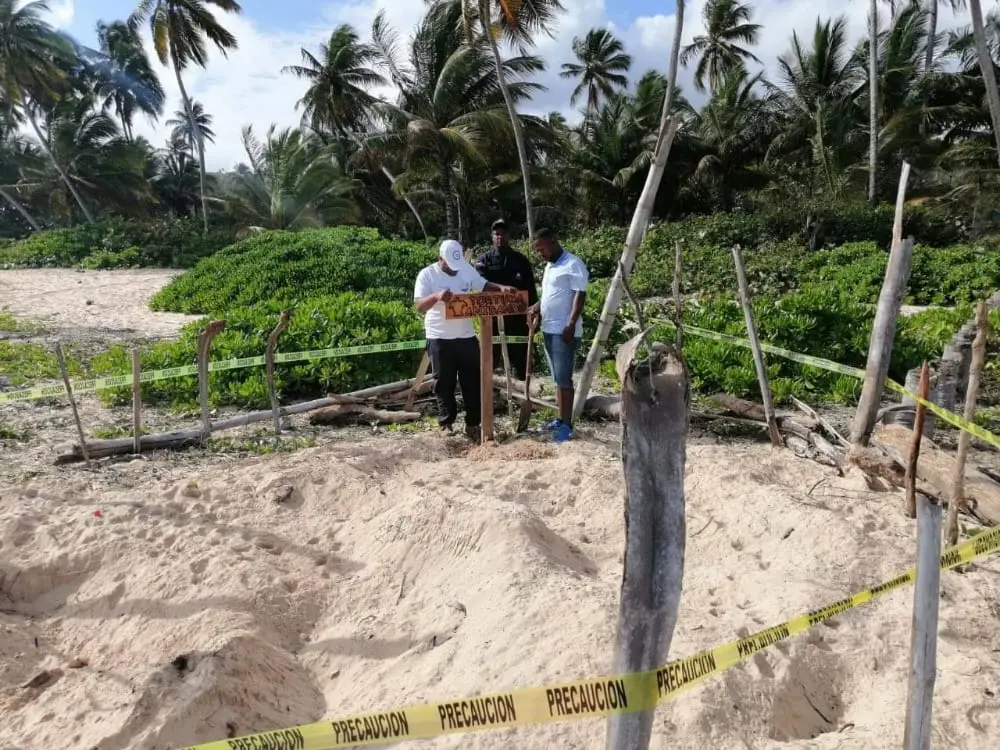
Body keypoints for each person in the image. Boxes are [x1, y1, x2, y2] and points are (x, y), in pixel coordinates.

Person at [414, 239, 516, 440]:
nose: (454, 271)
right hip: (440, 337)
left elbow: (483, 284)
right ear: (440, 258)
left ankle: (473, 424)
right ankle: (447, 424)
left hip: (466, 336)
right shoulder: (427, 275)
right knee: (444, 383)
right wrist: (436, 297)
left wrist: (501, 288)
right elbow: (419, 306)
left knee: (472, 382)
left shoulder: (466, 270)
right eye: (449, 266)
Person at [528, 228, 588, 443]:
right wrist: (537, 307)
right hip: (549, 330)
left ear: (553, 241)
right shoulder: (550, 266)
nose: (540, 254)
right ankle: (560, 419)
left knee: (564, 379)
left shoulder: (573, 264)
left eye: (542, 249)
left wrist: (571, 323)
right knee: (556, 378)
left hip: (564, 332)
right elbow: (550, 295)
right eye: (537, 251)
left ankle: (567, 425)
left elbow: (580, 294)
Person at [474, 219, 538, 380]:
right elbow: (481, 285)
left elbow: (530, 290)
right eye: (497, 234)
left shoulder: (521, 261)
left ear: (508, 235)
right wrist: (501, 289)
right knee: (490, 362)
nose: (500, 237)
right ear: (492, 237)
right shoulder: (483, 261)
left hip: (517, 320)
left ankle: (522, 398)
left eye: (503, 234)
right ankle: (491, 398)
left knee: (520, 361)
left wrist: (535, 313)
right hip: (492, 320)